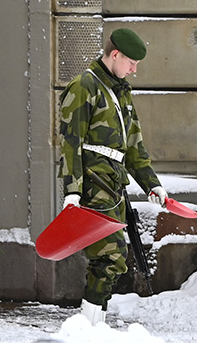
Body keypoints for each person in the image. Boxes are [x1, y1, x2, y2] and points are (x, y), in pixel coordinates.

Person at [57, 27, 167, 325]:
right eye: (131, 62)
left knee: (111, 261)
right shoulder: (84, 86)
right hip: (93, 186)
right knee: (110, 258)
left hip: (114, 186)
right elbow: (70, 144)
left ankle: (93, 328)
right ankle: (89, 330)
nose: (134, 69)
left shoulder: (120, 91)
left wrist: (151, 184)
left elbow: (134, 145)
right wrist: (72, 192)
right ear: (114, 54)